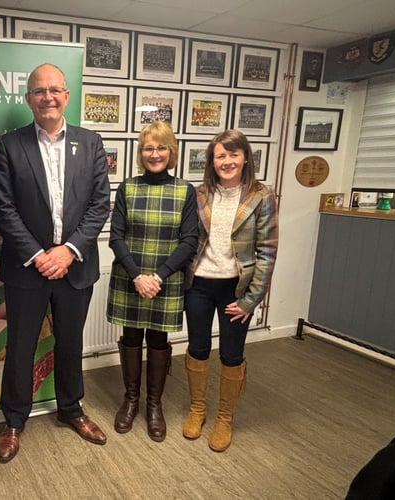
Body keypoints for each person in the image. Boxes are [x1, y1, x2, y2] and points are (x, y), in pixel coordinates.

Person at [0, 63, 110, 463]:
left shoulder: (91, 143)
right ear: (29, 99)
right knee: (21, 346)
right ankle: (13, 420)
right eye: (39, 91)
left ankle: (72, 409)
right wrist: (41, 255)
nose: (48, 97)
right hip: (29, 267)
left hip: (76, 265)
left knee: (71, 343)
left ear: (67, 96)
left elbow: (99, 205)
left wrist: (68, 250)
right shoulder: (10, 145)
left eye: (55, 90)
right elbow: (3, 209)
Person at [182, 129, 279, 452]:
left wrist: (251, 301)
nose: (227, 161)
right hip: (199, 285)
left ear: (245, 157)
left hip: (236, 289)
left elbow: (267, 252)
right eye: (220, 155)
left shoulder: (262, 197)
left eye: (233, 154)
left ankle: (225, 417)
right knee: (197, 347)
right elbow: (188, 241)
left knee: (231, 354)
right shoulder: (199, 194)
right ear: (212, 161)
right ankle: (198, 409)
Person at [106, 122, 198, 441]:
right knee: (131, 337)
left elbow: (189, 241)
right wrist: (137, 276)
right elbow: (116, 237)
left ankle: (153, 405)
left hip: (165, 280)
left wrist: (156, 276)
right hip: (130, 276)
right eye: (148, 148)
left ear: (170, 152)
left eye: (161, 148)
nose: (154, 154)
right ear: (140, 153)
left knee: (158, 341)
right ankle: (130, 401)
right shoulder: (127, 188)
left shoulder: (185, 190)